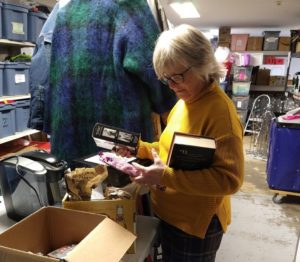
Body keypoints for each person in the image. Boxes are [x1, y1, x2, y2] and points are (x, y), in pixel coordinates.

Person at [125, 24, 244, 261]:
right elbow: (170, 148)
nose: (172, 86)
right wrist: (140, 148)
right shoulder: (185, 101)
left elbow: (229, 180)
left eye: (178, 76)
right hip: (171, 214)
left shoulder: (221, 115)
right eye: (166, 78)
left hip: (194, 225)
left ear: (203, 64)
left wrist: (163, 177)